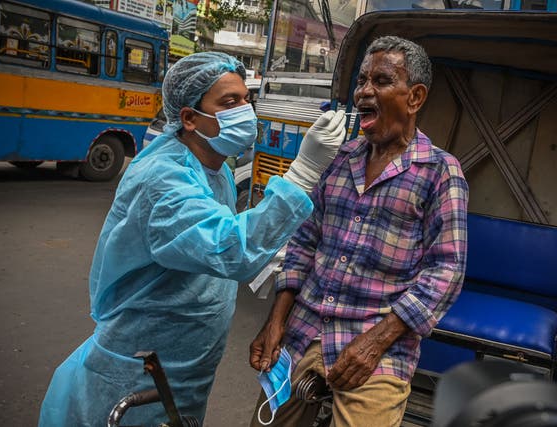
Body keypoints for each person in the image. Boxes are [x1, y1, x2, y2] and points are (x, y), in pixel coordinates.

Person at [38, 52, 346, 427]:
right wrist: (303, 172)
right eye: (229, 103)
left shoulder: (214, 171)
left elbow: (207, 253)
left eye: (246, 99)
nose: (245, 111)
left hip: (183, 369)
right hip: (141, 369)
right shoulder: (162, 179)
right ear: (188, 117)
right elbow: (230, 248)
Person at [249, 36, 468, 427]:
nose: (364, 91)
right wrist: (276, 320)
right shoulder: (341, 158)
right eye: (362, 81)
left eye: (381, 81)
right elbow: (303, 243)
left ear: (414, 98)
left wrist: (376, 342)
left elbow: (445, 273)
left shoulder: (440, 171)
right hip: (305, 329)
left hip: (378, 341)